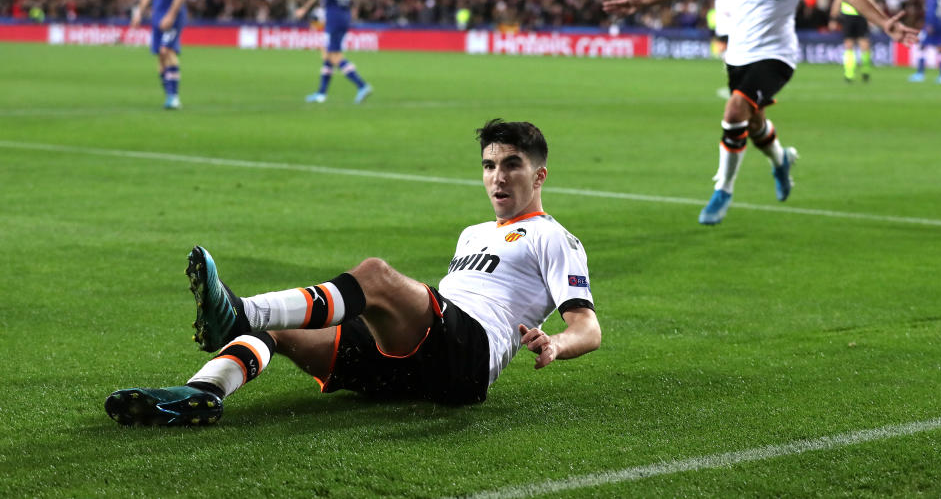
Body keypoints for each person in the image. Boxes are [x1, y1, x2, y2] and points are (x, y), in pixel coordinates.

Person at [105, 119, 601, 425]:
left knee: (376, 275)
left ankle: (237, 313)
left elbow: (588, 328)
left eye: (512, 165)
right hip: (415, 362)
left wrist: (556, 343)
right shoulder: (473, 232)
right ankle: (200, 395)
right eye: (489, 165)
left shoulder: (553, 236)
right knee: (282, 328)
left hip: (467, 356)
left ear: (538, 176)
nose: (498, 176)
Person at [603, 0, 919, 226]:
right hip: (738, 56)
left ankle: (722, 190)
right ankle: (780, 160)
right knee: (752, 122)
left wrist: (884, 22)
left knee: (735, 107)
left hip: (778, 55)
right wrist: (644, 0)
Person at [295, 0, 373, 104]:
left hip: (333, 13)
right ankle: (321, 94)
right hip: (344, 14)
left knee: (334, 55)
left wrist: (304, 8)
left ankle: (362, 85)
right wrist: (355, 7)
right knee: (327, 52)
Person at [829, 0, 876, 83]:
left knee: (864, 45)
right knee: (848, 45)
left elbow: (870, 1)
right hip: (848, 17)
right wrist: (833, 18)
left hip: (862, 16)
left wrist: (873, 17)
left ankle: (865, 69)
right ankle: (849, 74)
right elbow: (837, 1)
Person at [909, 0, 941, 85]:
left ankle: (920, 74)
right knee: (940, 48)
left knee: (921, 45)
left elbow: (931, 10)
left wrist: (930, 24)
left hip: (933, 24)